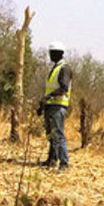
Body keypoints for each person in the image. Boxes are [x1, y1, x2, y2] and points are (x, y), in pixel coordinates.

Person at [37, 41, 72, 171]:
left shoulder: (64, 68)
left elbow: (64, 88)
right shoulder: (55, 68)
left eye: (52, 53)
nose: (50, 55)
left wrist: (48, 97)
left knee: (58, 135)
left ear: (58, 53)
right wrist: (43, 105)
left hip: (58, 106)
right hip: (50, 105)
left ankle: (64, 164)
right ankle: (51, 160)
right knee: (51, 135)